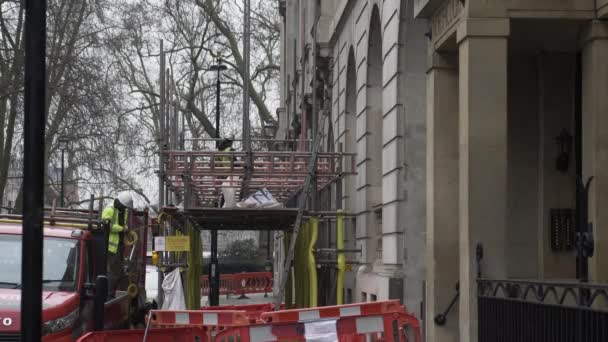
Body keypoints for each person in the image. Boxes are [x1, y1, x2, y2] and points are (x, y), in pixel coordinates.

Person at [102, 191, 133, 297]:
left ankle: (111, 294)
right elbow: (107, 227)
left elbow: (123, 224)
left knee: (118, 272)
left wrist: (125, 229)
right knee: (113, 273)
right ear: (119, 202)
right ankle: (108, 295)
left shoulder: (124, 210)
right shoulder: (109, 209)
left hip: (119, 246)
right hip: (110, 247)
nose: (125, 209)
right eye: (124, 206)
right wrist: (122, 229)